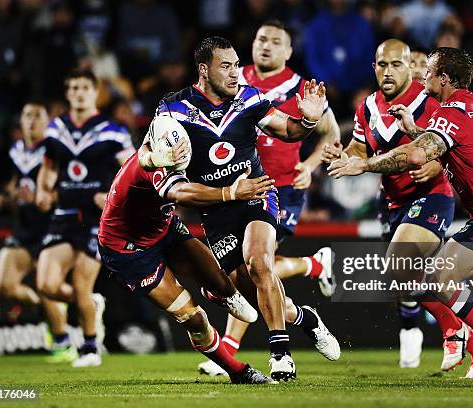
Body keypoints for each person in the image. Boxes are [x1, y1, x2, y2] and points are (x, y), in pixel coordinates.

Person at [327, 47, 473, 388]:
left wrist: (365, 164)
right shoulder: (470, 103)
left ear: (444, 78)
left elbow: (416, 155)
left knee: (437, 274)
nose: (422, 76)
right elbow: (448, 141)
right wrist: (415, 128)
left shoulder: (452, 112)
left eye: (428, 71)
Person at [145, 36, 340, 381]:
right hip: (216, 211)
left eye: (237, 65)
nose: (236, 73)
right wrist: (160, 157)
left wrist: (307, 121)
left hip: (257, 193)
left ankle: (281, 355)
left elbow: (288, 130)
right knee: (252, 289)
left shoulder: (249, 98)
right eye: (226, 66)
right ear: (204, 70)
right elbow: (151, 156)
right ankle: (305, 318)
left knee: (260, 263)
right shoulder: (172, 109)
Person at [321, 39, 473, 376]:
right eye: (382, 65)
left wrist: (439, 164)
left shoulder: (429, 101)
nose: (388, 71)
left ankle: (454, 327)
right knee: (407, 276)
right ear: (374, 67)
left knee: (400, 262)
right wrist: (346, 157)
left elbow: (456, 142)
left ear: (410, 67)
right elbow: (359, 148)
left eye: (396, 64)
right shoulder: (367, 107)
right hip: (394, 202)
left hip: (431, 196)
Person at [197, 20, 341, 377]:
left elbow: (329, 133)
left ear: (289, 52)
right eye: (261, 39)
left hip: (279, 187)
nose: (266, 46)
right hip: (226, 194)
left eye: (276, 42)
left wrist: (309, 165)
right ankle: (311, 276)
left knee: (261, 263)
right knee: (254, 274)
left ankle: (248, 349)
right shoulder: (232, 78)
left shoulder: (299, 87)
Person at [97, 140, 272, 384]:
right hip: (129, 251)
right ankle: (238, 371)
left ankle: (217, 293)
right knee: (195, 319)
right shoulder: (151, 164)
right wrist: (231, 192)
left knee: (226, 287)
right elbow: (180, 192)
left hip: (164, 229)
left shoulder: (184, 150)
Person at [35, 69, 135, 368]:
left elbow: (132, 172)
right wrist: (43, 188)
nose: (79, 92)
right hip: (64, 214)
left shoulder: (112, 130)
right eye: (73, 87)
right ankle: (91, 306)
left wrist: (112, 197)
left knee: (81, 284)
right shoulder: (56, 129)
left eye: (84, 88)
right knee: (46, 285)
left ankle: (90, 348)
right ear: (68, 93)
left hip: (97, 219)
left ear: (96, 92)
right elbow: (50, 165)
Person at [0, 101, 71, 362]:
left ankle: (63, 340)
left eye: (37, 116)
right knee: (4, 284)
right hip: (25, 228)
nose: (31, 121)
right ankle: (44, 307)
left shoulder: (56, 150)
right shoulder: (16, 149)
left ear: (47, 121)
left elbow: (72, 186)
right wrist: (10, 196)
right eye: (27, 115)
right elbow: (15, 184)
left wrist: (48, 195)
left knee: (47, 286)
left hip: (50, 228)